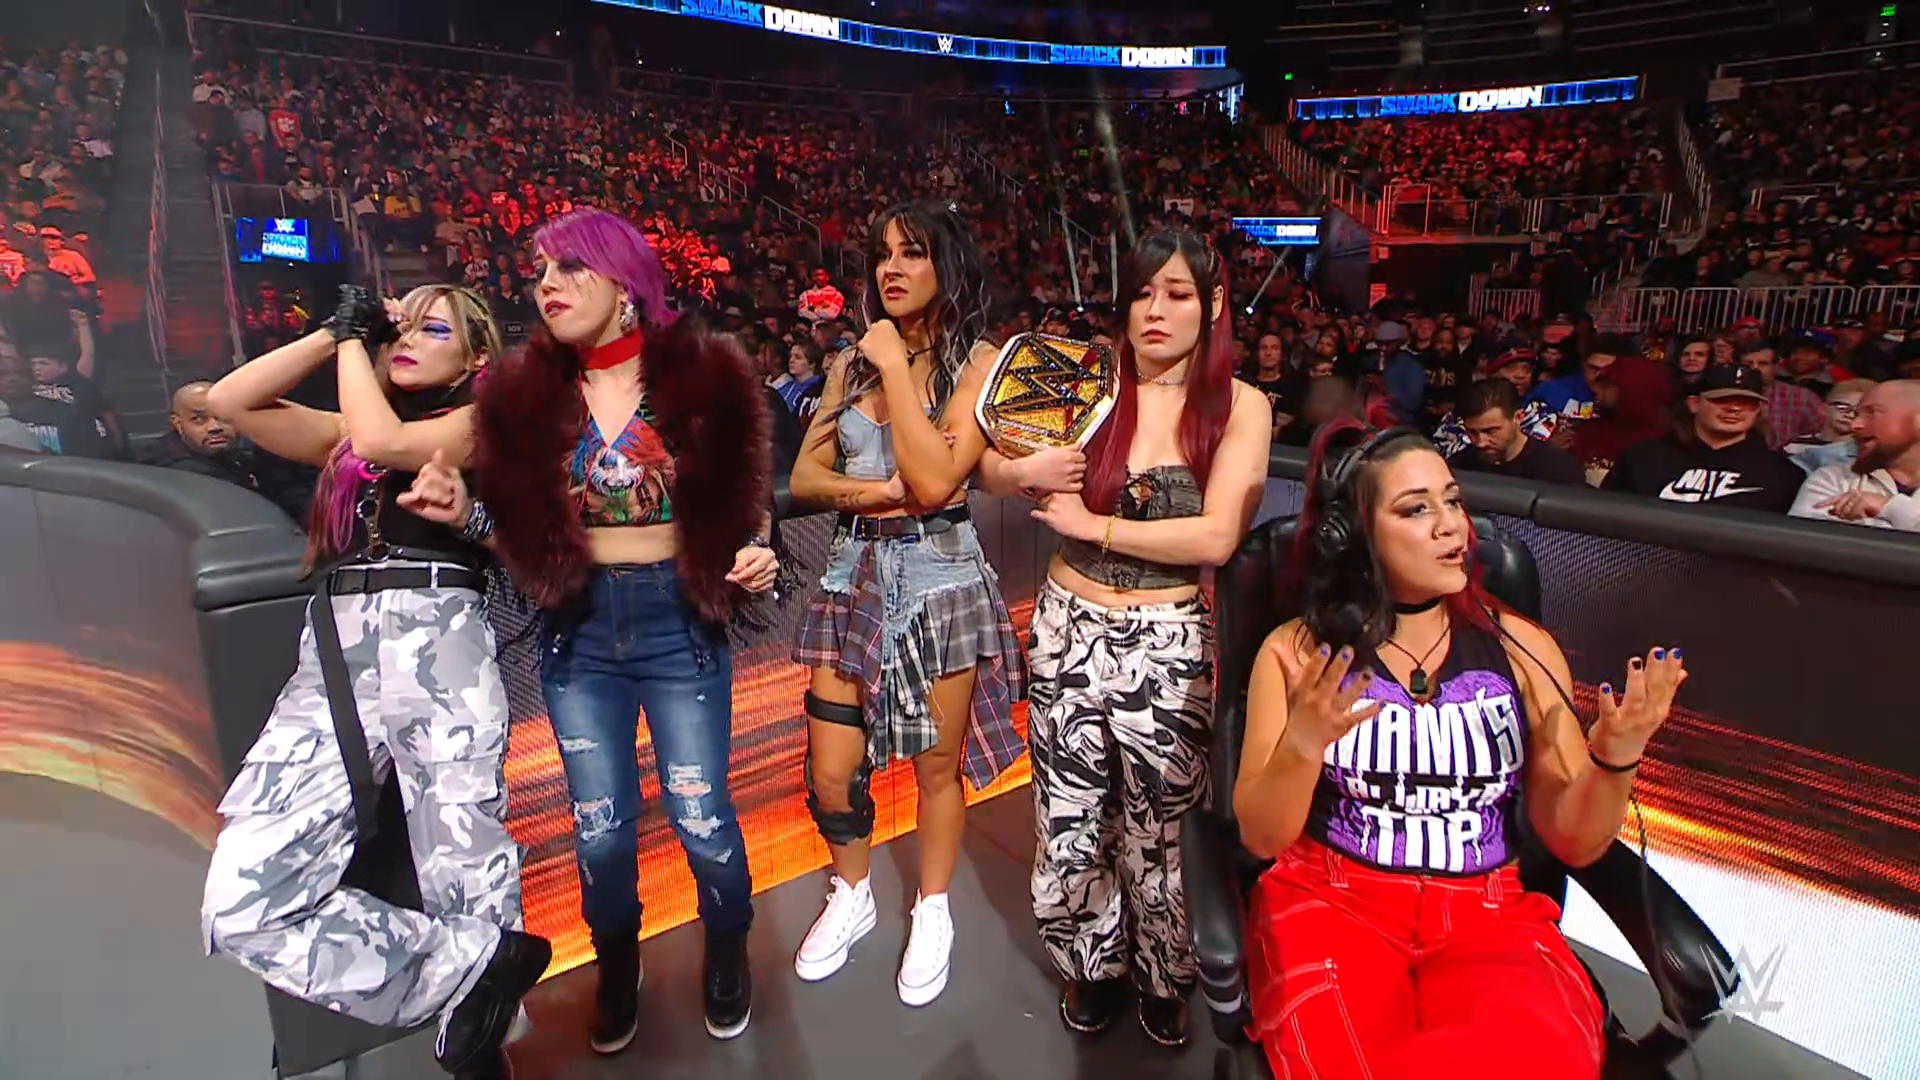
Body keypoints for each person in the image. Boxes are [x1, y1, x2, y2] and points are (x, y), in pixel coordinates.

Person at [401, 207, 779, 1052]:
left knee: (701, 816)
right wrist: (464, 515)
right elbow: (517, 536)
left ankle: (727, 948)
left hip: (679, 624)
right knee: (600, 827)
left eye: (570, 267)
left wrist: (758, 550)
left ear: (624, 281)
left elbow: (746, 500)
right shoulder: (524, 398)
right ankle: (617, 962)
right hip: (580, 632)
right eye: (540, 271)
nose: (548, 285)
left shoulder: (706, 377)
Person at [1235, 420, 1688, 1080]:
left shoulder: (1523, 649)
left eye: (1452, 500)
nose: (1452, 525)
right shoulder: (1295, 653)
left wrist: (1615, 758)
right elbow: (1261, 835)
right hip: (1332, 903)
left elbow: (1575, 841)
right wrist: (1302, 743)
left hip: (1488, 914)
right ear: (1354, 536)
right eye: (1416, 509)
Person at [199, 284, 544, 1080]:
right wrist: (336, 331)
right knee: (243, 904)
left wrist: (358, 344)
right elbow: (228, 401)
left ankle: (481, 1047)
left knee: (464, 858)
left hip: (439, 630)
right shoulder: (347, 432)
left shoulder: (486, 419)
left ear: (477, 355)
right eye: (399, 327)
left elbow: (387, 442)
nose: (406, 340)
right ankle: (475, 968)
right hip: (335, 641)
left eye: (432, 329)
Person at [980, 229, 1269, 1046]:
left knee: (1164, 822)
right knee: (1069, 813)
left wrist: (1092, 525)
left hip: (1169, 640)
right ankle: (1092, 964)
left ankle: (1164, 972)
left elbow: (1217, 537)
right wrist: (1022, 472)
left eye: (1177, 294)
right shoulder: (1090, 381)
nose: (1155, 311)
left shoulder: (1238, 404)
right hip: (1067, 626)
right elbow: (988, 464)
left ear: (1212, 305)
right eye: (1142, 293)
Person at [786, 199, 1028, 1008]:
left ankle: (933, 907)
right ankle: (851, 892)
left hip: (941, 577)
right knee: (831, 770)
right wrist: (875, 492)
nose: (891, 268)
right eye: (883, 254)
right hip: (851, 572)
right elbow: (806, 478)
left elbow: (934, 481)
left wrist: (892, 364)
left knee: (934, 766)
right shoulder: (846, 366)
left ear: (945, 265)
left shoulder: (979, 363)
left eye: (912, 252)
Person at [1601, 364, 1803, 511]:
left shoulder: (1782, 475)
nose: (1734, 408)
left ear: (1758, 410)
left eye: (1746, 402)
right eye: (1722, 399)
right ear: (1694, 404)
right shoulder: (1642, 458)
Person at [1790, 380, 1920, 531]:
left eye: (1872, 412)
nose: (1854, 425)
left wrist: (1889, 507)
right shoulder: (1834, 480)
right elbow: (1808, 540)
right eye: (1856, 414)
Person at [1446, 378, 1585, 486]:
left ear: (1518, 417)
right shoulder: (1457, 469)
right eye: (1472, 432)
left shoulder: (1559, 469)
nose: (1480, 442)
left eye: (1491, 431)